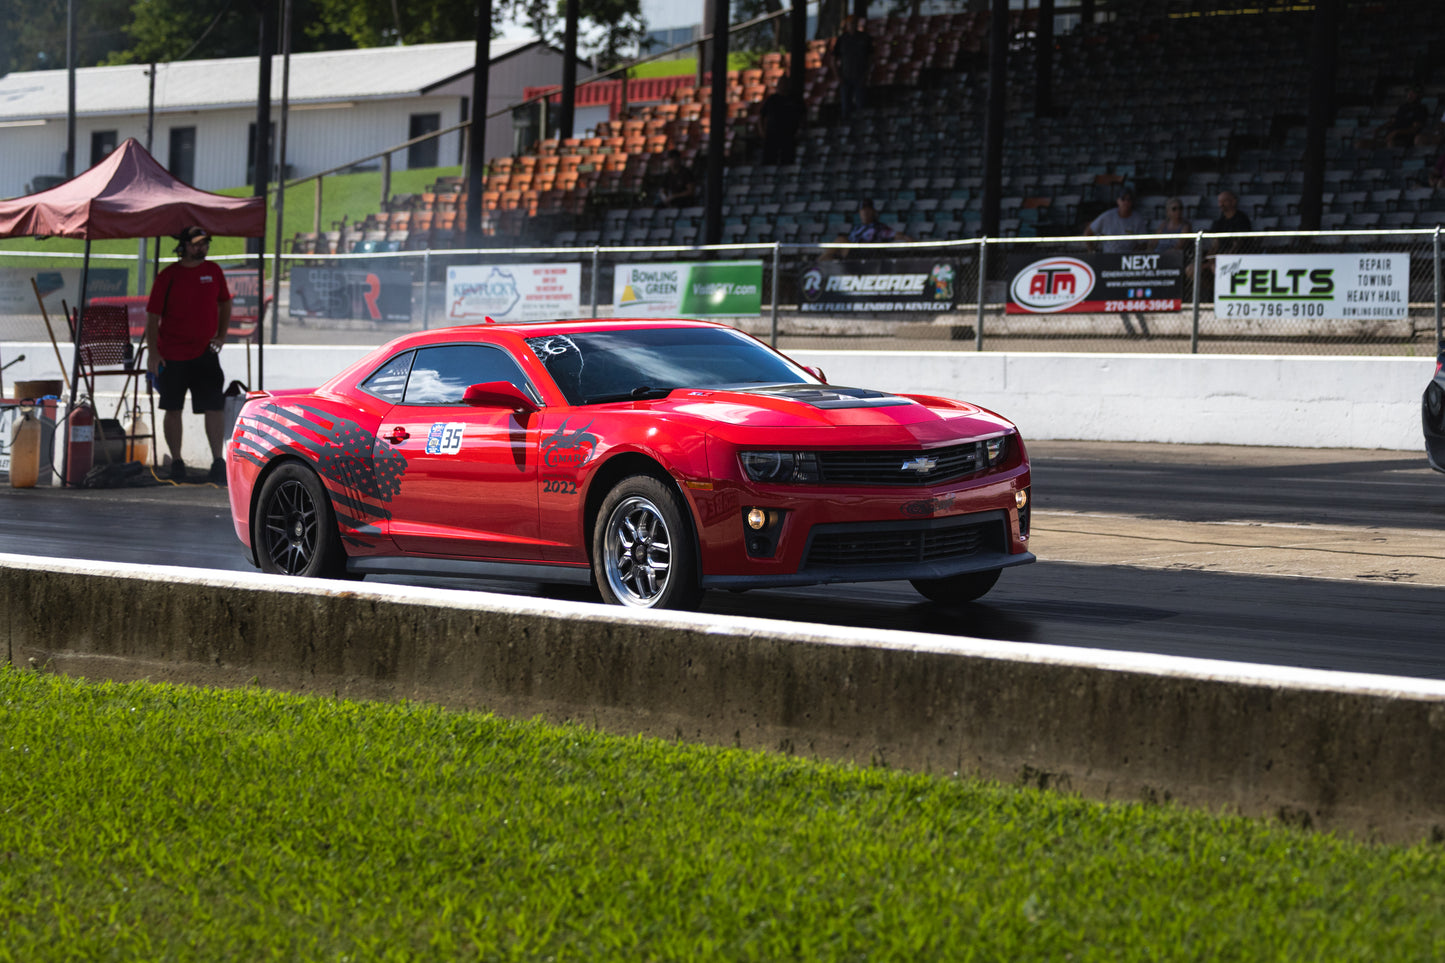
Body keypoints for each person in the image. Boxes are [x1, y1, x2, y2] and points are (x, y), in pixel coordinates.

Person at [145, 226, 232, 484]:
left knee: (214, 407)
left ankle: (218, 461)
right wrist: (153, 353)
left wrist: (222, 335)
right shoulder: (168, 276)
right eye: (196, 244)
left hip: (205, 352)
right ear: (183, 247)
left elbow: (225, 302)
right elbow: (152, 317)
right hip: (172, 354)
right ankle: (177, 461)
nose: (201, 248)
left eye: (204, 243)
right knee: (172, 408)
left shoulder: (213, 271)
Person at [829, 16, 872, 122]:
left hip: (860, 76)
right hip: (846, 77)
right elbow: (833, 59)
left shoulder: (864, 37)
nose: (851, 26)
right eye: (849, 23)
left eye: (853, 23)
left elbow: (871, 57)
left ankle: (861, 126)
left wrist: (867, 73)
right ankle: (846, 127)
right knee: (846, 107)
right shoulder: (842, 39)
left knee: (860, 104)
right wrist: (837, 76)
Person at [1362, 85, 1429, 149]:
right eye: (1409, 92)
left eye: (1413, 93)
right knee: (1361, 143)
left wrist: (1397, 132)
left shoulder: (1421, 109)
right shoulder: (1403, 107)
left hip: (1404, 140)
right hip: (1389, 137)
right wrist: (1379, 128)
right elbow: (1393, 121)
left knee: (1390, 144)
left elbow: (1414, 129)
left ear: (1419, 95)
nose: (1409, 95)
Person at [1083, 188, 1149, 252]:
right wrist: (1091, 251)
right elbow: (1088, 232)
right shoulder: (1107, 216)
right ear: (1118, 201)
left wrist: (1134, 252)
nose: (1126, 202)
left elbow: (1143, 243)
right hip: (1109, 256)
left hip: (1128, 258)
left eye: (1129, 199)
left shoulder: (1137, 219)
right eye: (1123, 199)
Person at [757, 76, 802, 166]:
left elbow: (802, 116)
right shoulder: (772, 99)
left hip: (788, 135)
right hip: (772, 135)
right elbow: (761, 116)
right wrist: (762, 131)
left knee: (787, 161)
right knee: (769, 161)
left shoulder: (795, 100)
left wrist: (800, 129)